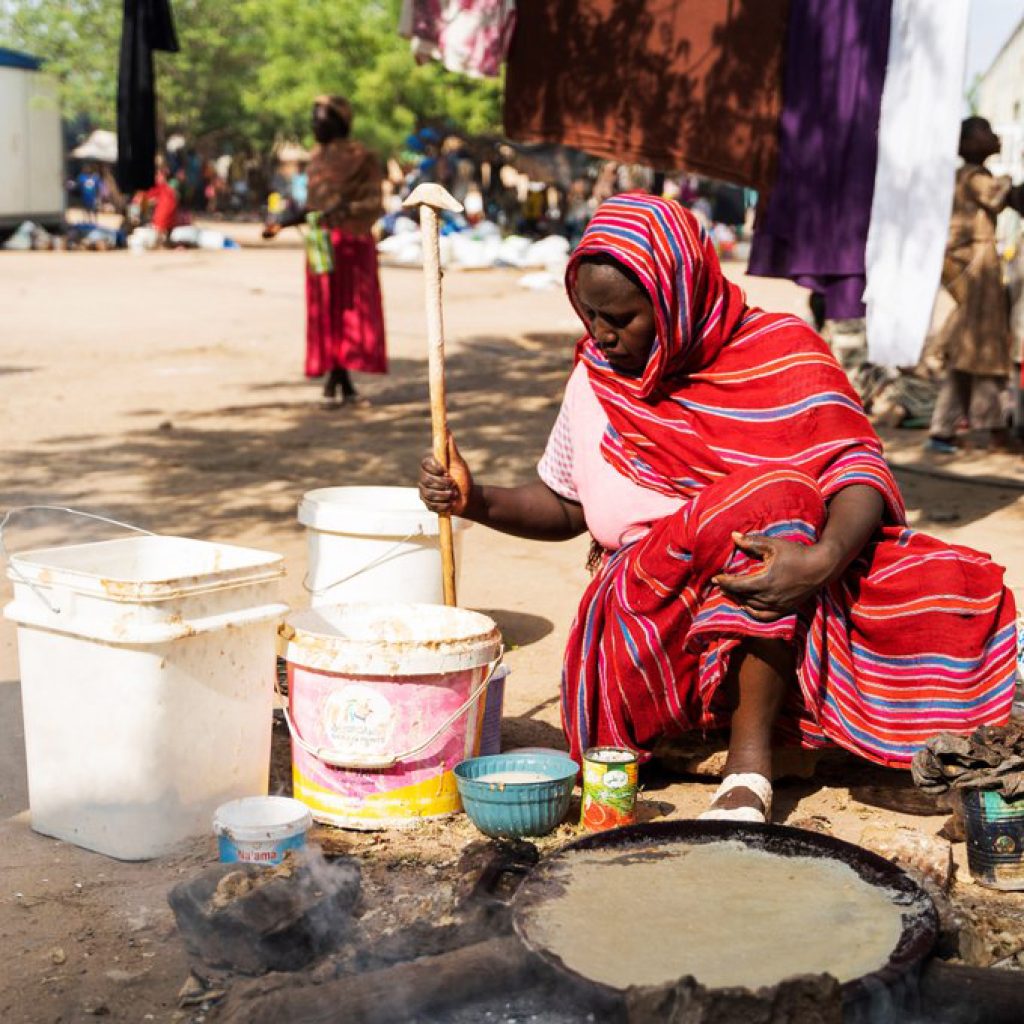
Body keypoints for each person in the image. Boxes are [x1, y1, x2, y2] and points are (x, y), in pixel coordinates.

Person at [419, 194, 1017, 823]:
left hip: (784, 593)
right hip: (646, 630)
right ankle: (748, 767)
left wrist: (823, 561)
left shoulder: (782, 351)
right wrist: (474, 499)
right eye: (589, 313)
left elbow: (857, 470)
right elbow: (567, 507)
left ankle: (768, 734)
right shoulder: (598, 377)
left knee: (942, 581)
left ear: (677, 297)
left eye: (621, 317)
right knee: (775, 497)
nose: (600, 334)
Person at [263, 96, 386, 407]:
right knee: (326, 308)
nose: (313, 126)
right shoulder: (316, 159)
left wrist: (341, 211)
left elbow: (374, 204)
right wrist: (283, 223)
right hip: (321, 244)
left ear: (339, 123)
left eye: (320, 120)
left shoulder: (364, 158)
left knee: (350, 309)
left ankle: (340, 378)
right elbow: (312, 207)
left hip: (353, 245)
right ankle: (336, 375)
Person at [927, 117, 1024, 453]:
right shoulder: (974, 177)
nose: (994, 136)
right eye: (986, 131)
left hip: (970, 264)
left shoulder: (965, 177)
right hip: (976, 266)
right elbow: (1006, 197)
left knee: (966, 350)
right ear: (968, 142)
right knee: (985, 346)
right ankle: (994, 429)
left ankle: (943, 428)